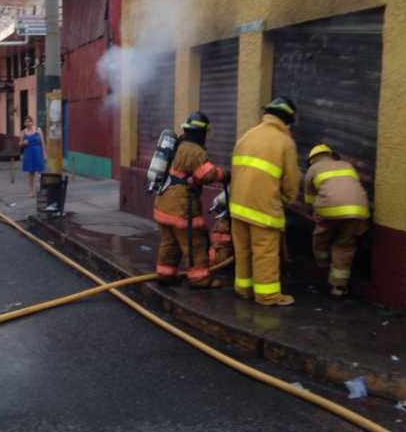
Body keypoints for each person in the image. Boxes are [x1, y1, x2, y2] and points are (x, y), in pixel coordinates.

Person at [230, 97, 301, 306]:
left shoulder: (247, 136)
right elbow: (291, 180)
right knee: (265, 253)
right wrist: (288, 198)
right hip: (263, 209)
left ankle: (243, 289)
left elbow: (236, 170)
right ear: (287, 120)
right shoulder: (285, 142)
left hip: (237, 207)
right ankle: (267, 296)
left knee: (242, 251)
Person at [153, 111, 227, 288]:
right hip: (181, 207)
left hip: (163, 204)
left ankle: (165, 275)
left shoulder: (178, 144)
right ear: (201, 133)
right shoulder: (194, 150)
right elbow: (207, 174)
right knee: (195, 241)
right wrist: (224, 174)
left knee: (169, 243)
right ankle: (200, 279)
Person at [304, 144, 370, 297]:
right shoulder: (347, 165)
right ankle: (339, 287)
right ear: (330, 154)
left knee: (321, 237)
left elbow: (309, 199)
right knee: (345, 245)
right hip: (358, 210)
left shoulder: (313, 169)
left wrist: (314, 213)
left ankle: (322, 264)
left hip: (329, 210)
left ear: (312, 159)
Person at [20, 115, 46, 196]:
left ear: (32, 122)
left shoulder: (38, 130)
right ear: (24, 123)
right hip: (28, 153)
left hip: (38, 152)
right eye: (26, 122)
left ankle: (42, 189)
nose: (28, 123)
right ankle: (31, 191)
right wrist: (23, 143)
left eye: (29, 121)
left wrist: (45, 154)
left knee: (41, 171)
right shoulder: (23, 132)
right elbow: (20, 143)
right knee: (31, 173)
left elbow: (42, 143)